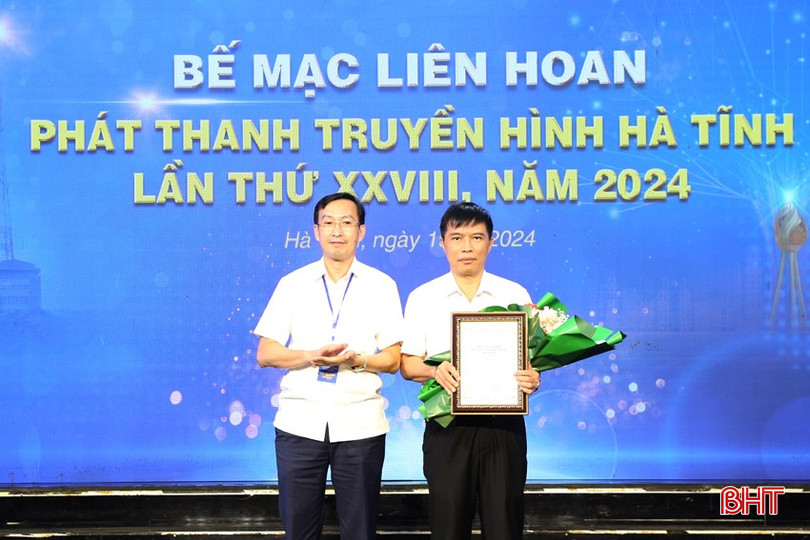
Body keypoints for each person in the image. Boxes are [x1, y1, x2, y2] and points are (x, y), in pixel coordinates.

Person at [253, 192, 403, 540]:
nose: (337, 230)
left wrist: (357, 360)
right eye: (329, 223)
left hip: (360, 425)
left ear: (361, 231)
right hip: (299, 424)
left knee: (360, 532)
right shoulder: (292, 284)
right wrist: (310, 356)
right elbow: (266, 353)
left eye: (347, 223)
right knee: (299, 531)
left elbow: (393, 360)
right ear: (316, 231)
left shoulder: (382, 286)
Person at [400, 201, 541, 540]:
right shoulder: (423, 297)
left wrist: (532, 377)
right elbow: (407, 364)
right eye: (457, 237)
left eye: (476, 237)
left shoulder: (514, 294)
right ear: (442, 243)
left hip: (503, 426)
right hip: (447, 425)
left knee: (505, 526)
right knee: (448, 527)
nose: (467, 247)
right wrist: (435, 371)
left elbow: (531, 359)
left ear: (491, 242)